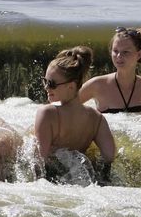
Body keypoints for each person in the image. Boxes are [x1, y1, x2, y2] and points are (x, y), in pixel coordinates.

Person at [35, 46, 115, 179]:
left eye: (51, 83)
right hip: (78, 178)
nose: (46, 87)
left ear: (71, 86)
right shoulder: (97, 118)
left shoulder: (47, 113)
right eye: (45, 81)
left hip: (52, 180)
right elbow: (109, 155)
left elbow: (39, 160)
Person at [79, 26, 141, 113]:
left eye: (125, 52)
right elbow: (67, 107)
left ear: (139, 54)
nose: (119, 56)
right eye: (115, 51)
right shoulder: (97, 85)